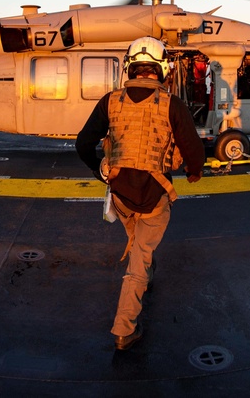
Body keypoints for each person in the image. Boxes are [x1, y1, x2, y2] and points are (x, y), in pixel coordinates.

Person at [75, 36, 205, 351]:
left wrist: (99, 170)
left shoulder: (110, 100)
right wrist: (193, 172)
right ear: (161, 69)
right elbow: (194, 152)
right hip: (154, 197)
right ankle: (124, 328)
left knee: (138, 241)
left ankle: (144, 267)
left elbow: (83, 143)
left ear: (130, 67)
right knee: (139, 260)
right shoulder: (173, 104)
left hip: (119, 194)